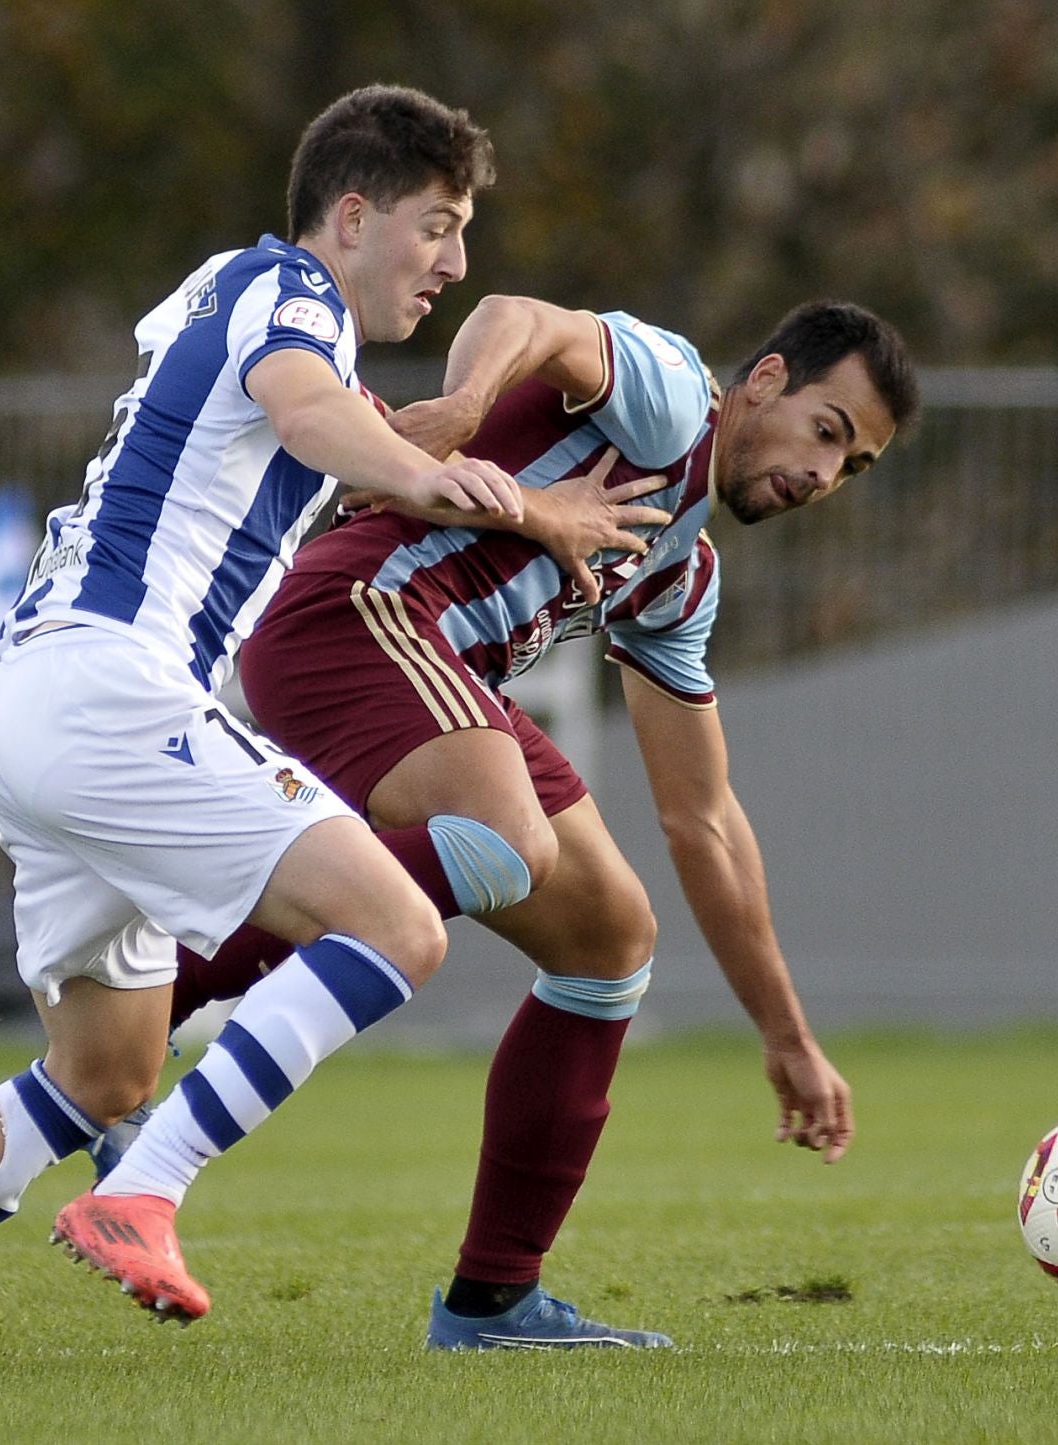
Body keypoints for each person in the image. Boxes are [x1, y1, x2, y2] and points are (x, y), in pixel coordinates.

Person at [0, 85, 655, 1369]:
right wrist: (515, 501)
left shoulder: (243, 301)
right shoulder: (288, 295)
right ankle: (146, 1190)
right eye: (438, 226)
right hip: (113, 689)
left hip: (39, 710)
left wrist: (467, 473)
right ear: (353, 215)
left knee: (105, 1070)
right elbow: (312, 414)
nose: (455, 262)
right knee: (395, 923)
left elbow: (323, 425)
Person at [164, 293, 921, 1348]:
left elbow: (702, 817)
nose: (824, 474)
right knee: (510, 838)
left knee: (611, 937)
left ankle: (494, 1301)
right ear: (765, 382)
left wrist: (786, 1036)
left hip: (441, 667)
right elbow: (524, 313)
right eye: (828, 431)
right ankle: (160, 977)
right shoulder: (670, 407)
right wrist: (466, 406)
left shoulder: (677, 575)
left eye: (855, 466)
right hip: (358, 613)